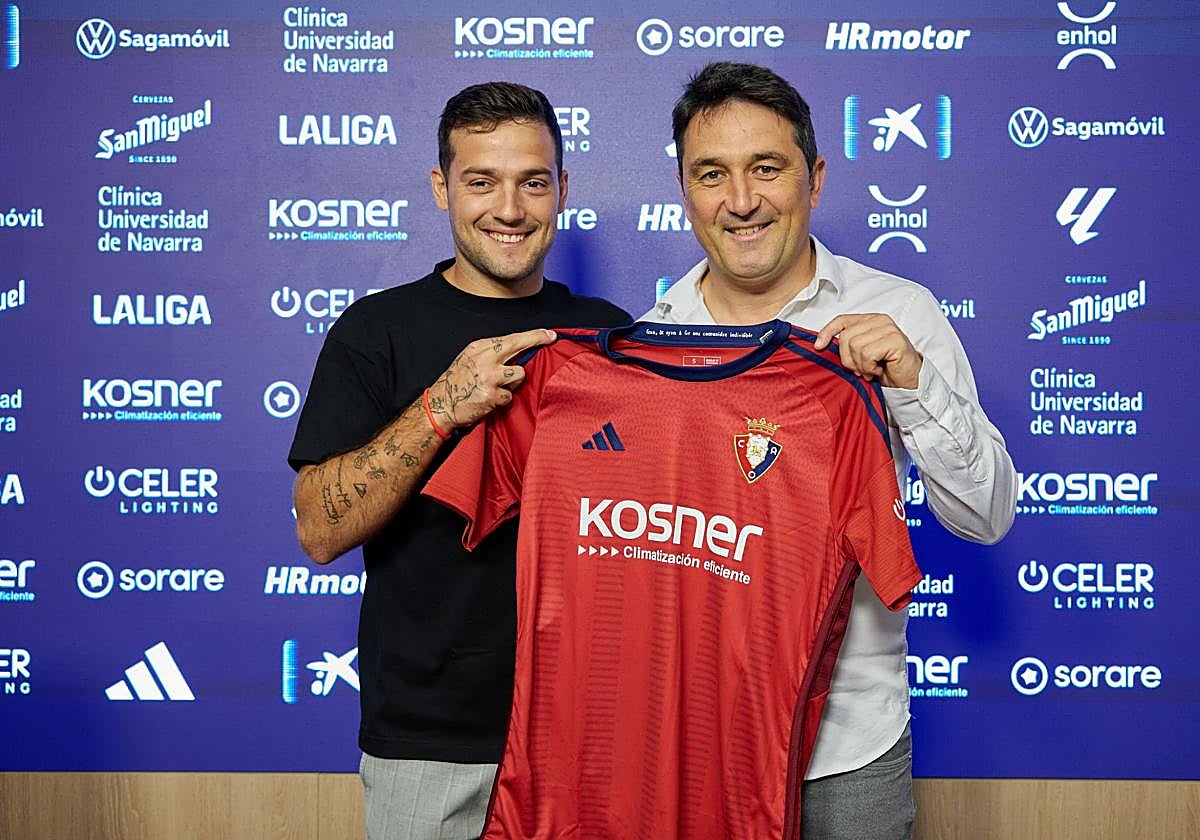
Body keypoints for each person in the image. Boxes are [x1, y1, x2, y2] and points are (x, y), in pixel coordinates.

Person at [644, 62, 1016, 839]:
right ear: (684, 188)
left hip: (850, 746)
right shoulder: (653, 338)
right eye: (712, 174)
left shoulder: (898, 311)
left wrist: (912, 382)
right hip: (700, 742)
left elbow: (987, 518)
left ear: (814, 176)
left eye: (766, 169)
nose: (740, 200)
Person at [288, 82, 629, 840]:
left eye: (532, 182)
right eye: (481, 180)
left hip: (588, 735)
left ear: (562, 190)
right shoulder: (375, 331)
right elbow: (318, 528)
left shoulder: (610, 336)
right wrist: (442, 406)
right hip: (431, 743)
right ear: (442, 188)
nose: (509, 208)